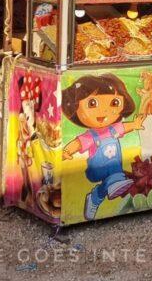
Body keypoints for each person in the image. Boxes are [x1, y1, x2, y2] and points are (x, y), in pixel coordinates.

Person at [61, 73, 145, 220]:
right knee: (115, 177)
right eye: (92, 103)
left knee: (113, 178)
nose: (104, 111)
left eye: (114, 103)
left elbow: (125, 127)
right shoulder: (91, 136)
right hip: (96, 169)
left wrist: (135, 125)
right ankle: (112, 186)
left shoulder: (113, 129)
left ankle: (95, 198)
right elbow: (78, 143)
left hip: (114, 168)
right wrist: (68, 151)